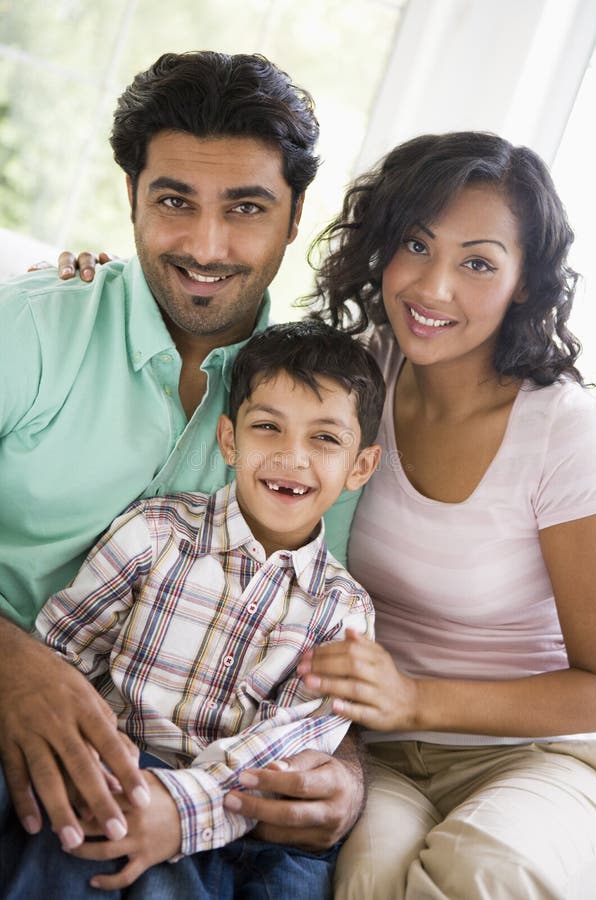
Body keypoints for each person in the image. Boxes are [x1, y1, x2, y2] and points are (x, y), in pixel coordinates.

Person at [0, 50, 366, 865]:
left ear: (294, 214)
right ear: (130, 194)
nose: (207, 245)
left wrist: (344, 775)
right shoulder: (26, 331)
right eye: (174, 200)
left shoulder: (320, 411)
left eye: (245, 207)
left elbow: (315, 636)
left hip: (178, 769)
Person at [293, 130, 596, 898]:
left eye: (478, 263)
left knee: (479, 871)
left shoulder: (564, 431)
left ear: (526, 282)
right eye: (416, 246)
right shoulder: (355, 380)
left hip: (541, 753)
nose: (433, 289)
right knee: (365, 880)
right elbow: (239, 371)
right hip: (382, 750)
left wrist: (416, 697)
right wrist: (92, 276)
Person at [1, 321, 383, 898]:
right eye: (267, 427)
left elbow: (292, 743)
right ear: (229, 440)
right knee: (71, 845)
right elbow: (61, 659)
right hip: (120, 769)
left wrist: (180, 811)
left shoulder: (344, 611)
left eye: (325, 439)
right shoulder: (154, 534)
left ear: (361, 466)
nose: (292, 457)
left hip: (245, 812)